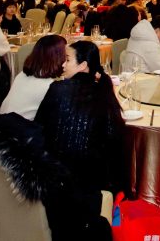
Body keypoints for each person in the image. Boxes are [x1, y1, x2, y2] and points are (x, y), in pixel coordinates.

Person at [35, 41, 126, 235]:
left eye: (67, 60)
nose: (62, 64)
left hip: (55, 183)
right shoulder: (103, 93)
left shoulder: (57, 89)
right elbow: (115, 143)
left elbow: (39, 129)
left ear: (83, 65)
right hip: (91, 184)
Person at [0, 35, 66, 120]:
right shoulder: (49, 86)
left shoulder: (22, 75)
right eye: (66, 57)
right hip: (17, 126)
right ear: (58, 58)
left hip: (2, 121)